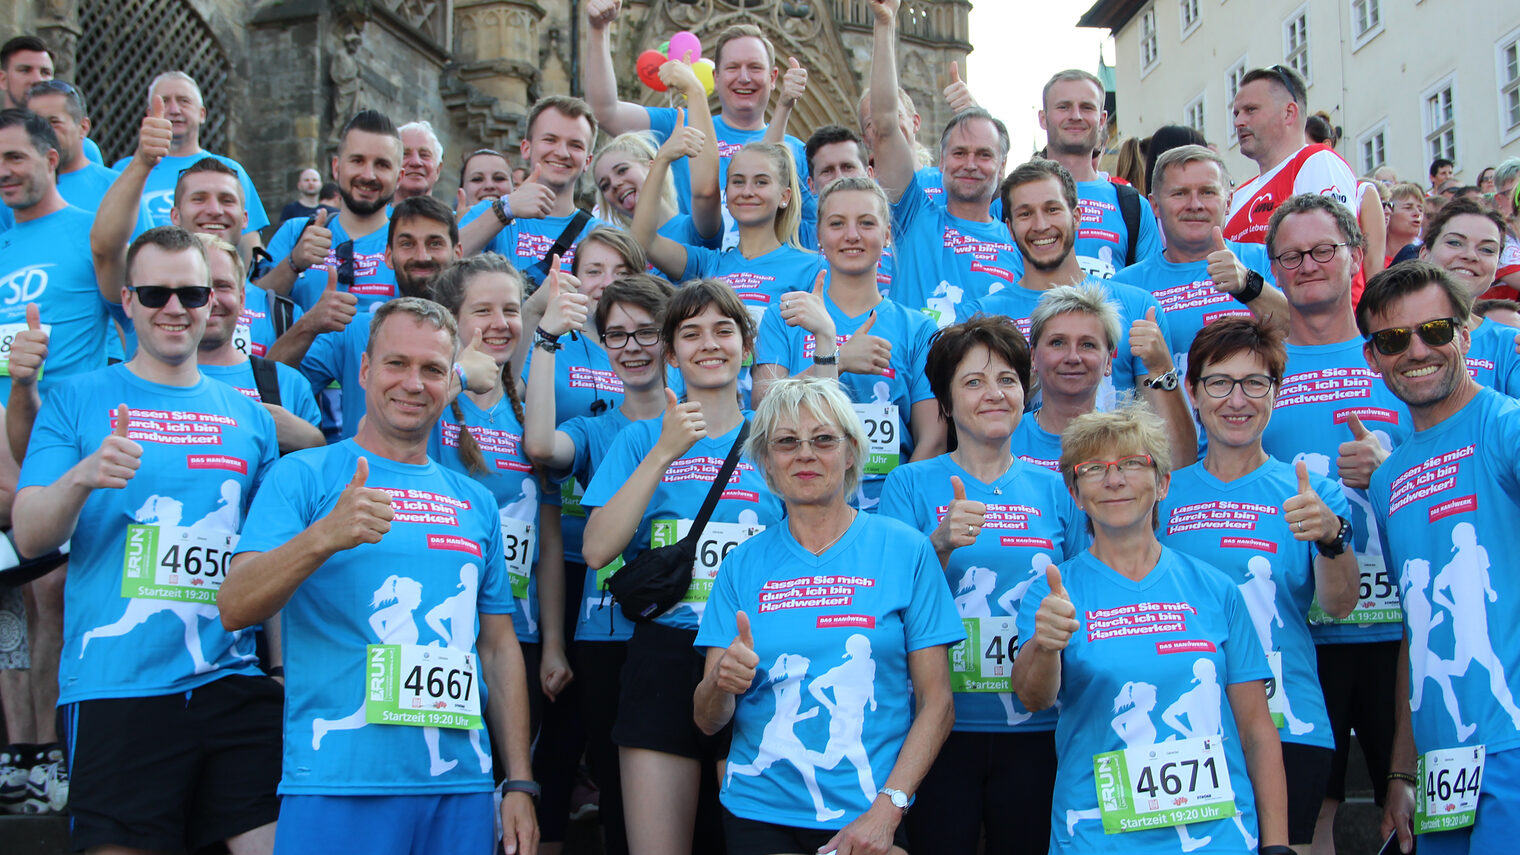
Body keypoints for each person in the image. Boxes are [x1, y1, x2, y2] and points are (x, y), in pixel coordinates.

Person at [221, 296, 538, 855]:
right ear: (365, 370)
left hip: (459, 788)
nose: (413, 383)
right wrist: (324, 536)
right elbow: (235, 606)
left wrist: (519, 781)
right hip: (338, 787)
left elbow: (497, 647)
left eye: (433, 369)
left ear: (450, 381)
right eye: (397, 364)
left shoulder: (475, 502)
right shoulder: (304, 475)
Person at [13, 225, 282, 853]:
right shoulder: (74, 398)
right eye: (156, 293)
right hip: (118, 687)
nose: (174, 308)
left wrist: (276, 669)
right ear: (127, 301)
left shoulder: (248, 416)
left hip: (232, 683)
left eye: (191, 294)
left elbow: (261, 556)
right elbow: (29, 536)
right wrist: (83, 477)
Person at [694, 376, 962, 855]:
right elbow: (708, 719)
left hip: (870, 817)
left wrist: (887, 810)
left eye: (823, 439)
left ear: (852, 452)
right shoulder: (740, 564)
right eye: (786, 443)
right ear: (766, 465)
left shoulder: (907, 550)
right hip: (757, 815)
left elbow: (937, 703)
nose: (805, 454)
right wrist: (720, 683)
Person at [1012, 402, 1291, 854]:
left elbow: (1257, 729)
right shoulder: (1050, 593)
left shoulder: (1215, 590)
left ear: (1162, 483)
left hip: (1218, 838)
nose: (1114, 479)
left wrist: (1276, 844)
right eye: (1094, 468)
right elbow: (1033, 698)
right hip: (1099, 839)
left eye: (1132, 465)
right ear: (1075, 491)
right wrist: (1045, 645)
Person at [580, 280, 785, 855]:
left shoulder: (776, 442)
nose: (708, 345)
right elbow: (597, 549)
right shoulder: (642, 438)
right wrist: (665, 451)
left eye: (723, 330)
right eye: (690, 333)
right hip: (663, 658)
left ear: (747, 347)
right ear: (670, 354)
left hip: (756, 662)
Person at [879, 316, 1086, 854]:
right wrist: (939, 544)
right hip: (939, 727)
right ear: (944, 402)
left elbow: (1084, 593)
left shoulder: (1057, 486)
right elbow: (883, 599)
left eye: (1008, 380)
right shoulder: (909, 482)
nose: (994, 394)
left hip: (1038, 728)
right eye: (973, 382)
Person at [1158, 316, 1360, 849]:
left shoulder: (1313, 492)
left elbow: (1339, 606)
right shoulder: (1161, 495)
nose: (1237, 399)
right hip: (1186, 733)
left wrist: (1332, 538)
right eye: (1219, 382)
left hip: (1287, 723)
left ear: (1276, 392)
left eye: (1255, 383)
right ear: (1194, 393)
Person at [1254, 193, 1412, 852]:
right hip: (1300, 630)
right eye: (1292, 255)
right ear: (1275, 268)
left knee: (1413, 812)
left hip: (1401, 631)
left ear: (1354, 255)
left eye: (1324, 249)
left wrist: (1390, 468)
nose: (1309, 264)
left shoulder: (1398, 354)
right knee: (1305, 820)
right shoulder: (1258, 367)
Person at [1355, 262, 1520, 855]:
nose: (1417, 350)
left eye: (1436, 330)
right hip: (1441, 766)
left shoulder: (1506, 426)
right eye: (1395, 340)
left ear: (1465, 336)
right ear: (1373, 357)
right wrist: (1401, 772)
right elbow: (1414, 631)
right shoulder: (1390, 476)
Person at [525, 273, 677, 855]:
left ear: (670, 338)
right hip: (607, 633)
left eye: (647, 332)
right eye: (617, 335)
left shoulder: (706, 422)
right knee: (620, 796)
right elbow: (541, 447)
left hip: (685, 630)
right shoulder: (592, 429)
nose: (633, 346)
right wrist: (544, 341)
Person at [959, 159, 1196, 465]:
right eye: (1025, 214)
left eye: (1052, 209)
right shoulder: (982, 316)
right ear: (1009, 228)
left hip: (1114, 490)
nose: (1041, 224)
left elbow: (1177, 455)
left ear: (1077, 216)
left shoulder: (1136, 307)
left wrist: (1162, 369)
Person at [753, 176, 944, 509]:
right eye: (837, 223)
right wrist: (836, 360)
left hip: (887, 515)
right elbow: (761, 409)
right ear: (820, 237)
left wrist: (893, 515)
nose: (852, 235)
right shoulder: (785, 314)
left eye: (866, 223)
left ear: (886, 235)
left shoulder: (917, 328)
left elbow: (934, 440)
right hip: (799, 511)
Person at [584, 1, 810, 248]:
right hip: (690, 273)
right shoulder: (680, 123)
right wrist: (598, 30)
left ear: (773, 77)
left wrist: (785, 106)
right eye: (733, 67)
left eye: (755, 68)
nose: (744, 77)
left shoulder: (798, 151)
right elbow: (604, 112)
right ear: (716, 76)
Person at [868, 0, 1019, 327]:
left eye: (984, 155)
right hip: (920, 376)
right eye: (959, 153)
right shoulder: (915, 215)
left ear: (1003, 165)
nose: (970, 164)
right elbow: (883, 126)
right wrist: (884, 27)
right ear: (940, 160)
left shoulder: (1019, 243)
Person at [633, 138, 823, 385]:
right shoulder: (707, 263)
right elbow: (643, 242)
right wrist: (661, 162)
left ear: (784, 196)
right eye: (737, 181)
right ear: (726, 193)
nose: (747, 191)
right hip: (711, 410)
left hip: (775, 411)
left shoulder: (812, 268)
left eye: (761, 182)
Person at [277, 195, 465, 441]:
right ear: (388, 255)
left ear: (458, 252)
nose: (422, 255)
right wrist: (308, 325)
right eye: (407, 244)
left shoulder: (481, 330)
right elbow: (273, 382)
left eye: (435, 243)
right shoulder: (357, 330)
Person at [94, 156, 300, 360]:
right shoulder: (147, 295)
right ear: (175, 216)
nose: (214, 211)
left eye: (227, 200)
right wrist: (142, 161)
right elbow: (106, 249)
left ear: (246, 218)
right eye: (199, 199)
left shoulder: (281, 313)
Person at [1112, 144, 1284, 376]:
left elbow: (1306, 333)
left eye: (1207, 192)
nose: (1194, 204)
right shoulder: (1124, 285)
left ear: (1229, 201)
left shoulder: (1267, 259)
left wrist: (1249, 286)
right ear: (1154, 205)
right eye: (1179, 193)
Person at [0, 109, 111, 401]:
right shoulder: (4, 245)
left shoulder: (95, 234)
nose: (3, 171)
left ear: (51, 160)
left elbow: (134, 327)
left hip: (67, 428)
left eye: (15, 157)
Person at [191, 234, 323, 453]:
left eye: (222, 286)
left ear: (242, 299)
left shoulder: (289, 384)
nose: (212, 300)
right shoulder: (139, 380)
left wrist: (314, 443)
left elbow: (318, 481)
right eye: (197, 287)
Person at [261, 110, 403, 311]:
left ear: (400, 177)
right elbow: (251, 309)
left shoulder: (409, 246)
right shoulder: (295, 233)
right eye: (357, 161)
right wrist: (294, 263)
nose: (368, 175)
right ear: (336, 167)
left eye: (382, 164)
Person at [111, 72, 268, 251]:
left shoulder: (230, 171)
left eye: (184, 101)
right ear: (149, 114)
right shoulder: (125, 170)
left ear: (202, 114)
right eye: (164, 102)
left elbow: (249, 244)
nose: (175, 110)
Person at [460, 96, 605, 285]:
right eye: (550, 140)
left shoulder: (602, 233)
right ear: (526, 148)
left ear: (587, 161)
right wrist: (505, 210)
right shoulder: (489, 213)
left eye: (575, 145)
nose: (562, 153)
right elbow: (445, 262)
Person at [1038, 69, 1163, 278]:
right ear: (1043, 119)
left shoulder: (1134, 207)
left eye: (1087, 107)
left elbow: (1151, 288)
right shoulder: (1009, 203)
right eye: (1064, 107)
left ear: (1102, 119)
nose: (1076, 116)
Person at [1225, 65, 1356, 246]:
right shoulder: (1240, 194)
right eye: (1236, 114)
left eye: (1251, 110)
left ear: (1289, 113)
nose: (1238, 122)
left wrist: (1247, 276)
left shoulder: (1316, 160)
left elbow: (1330, 256)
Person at [1012, 283, 1123, 472]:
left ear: (1109, 361)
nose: (1073, 357)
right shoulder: (1003, 438)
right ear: (1033, 357)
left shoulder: (1126, 444)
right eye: (1057, 343)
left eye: (1087, 345)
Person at [1416, 198, 1520, 394]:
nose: (1470, 255)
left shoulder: (1511, 346)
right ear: (1424, 253)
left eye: (1487, 249)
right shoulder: (1384, 338)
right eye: (1455, 242)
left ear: (1497, 266)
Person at [593, 127, 720, 250]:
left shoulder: (696, 229)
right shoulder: (623, 252)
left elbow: (707, 190)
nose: (614, 184)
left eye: (622, 170)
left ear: (652, 167)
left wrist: (664, 158)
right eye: (605, 186)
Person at [0, 37, 101, 166]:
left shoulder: (82, 148)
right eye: (25, 70)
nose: (37, 79)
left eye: (45, 72)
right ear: (3, 80)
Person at [397, 121, 444, 202]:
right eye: (405, 154)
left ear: (438, 170)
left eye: (424, 155)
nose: (415, 162)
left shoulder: (456, 215)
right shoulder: (372, 214)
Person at [1385, 183, 1427, 266]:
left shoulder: (1426, 257)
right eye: (1408, 208)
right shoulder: (1369, 257)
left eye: (1420, 209)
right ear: (1388, 212)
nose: (1417, 213)